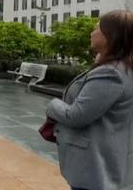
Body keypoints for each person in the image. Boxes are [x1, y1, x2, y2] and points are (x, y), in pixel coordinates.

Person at [45, 10, 133, 190]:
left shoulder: (110, 73)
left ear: (111, 35)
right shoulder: (121, 68)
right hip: (105, 165)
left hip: (96, 169)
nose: (92, 32)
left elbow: (76, 115)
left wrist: (52, 105)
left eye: (97, 28)